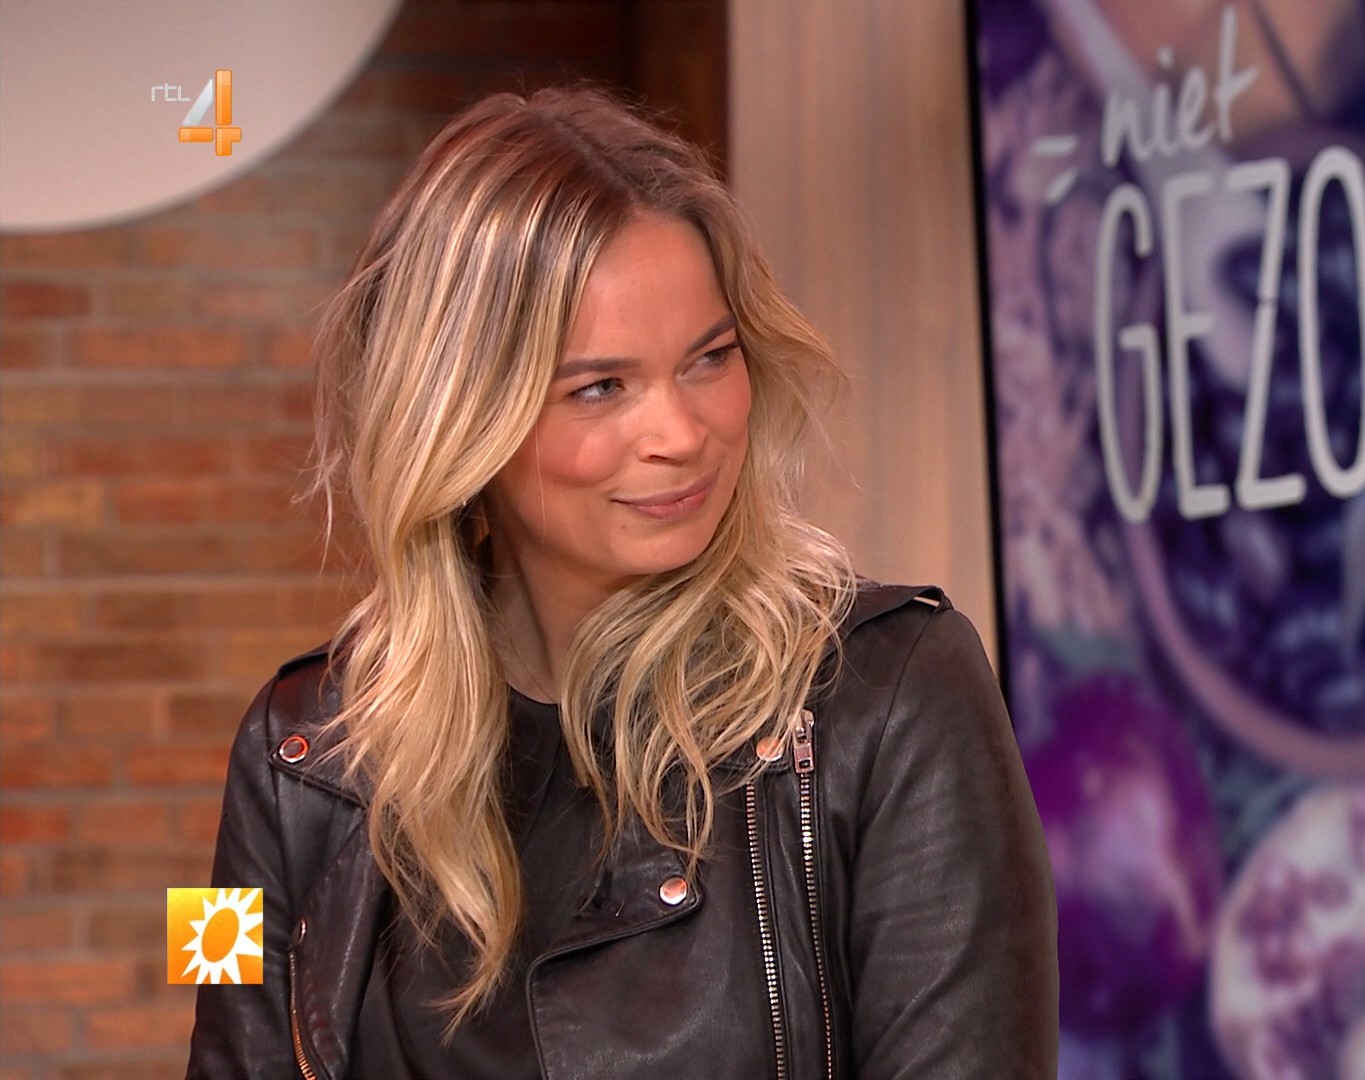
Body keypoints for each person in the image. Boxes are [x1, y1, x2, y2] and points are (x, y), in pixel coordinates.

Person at [185, 83, 1057, 1079]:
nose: (682, 433)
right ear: (459, 420)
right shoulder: (287, 751)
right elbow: (218, 1042)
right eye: (600, 387)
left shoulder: (900, 695)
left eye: (710, 358)